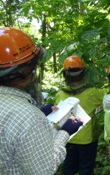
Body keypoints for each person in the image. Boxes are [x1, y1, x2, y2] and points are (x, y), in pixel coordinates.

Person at [0, 27, 83, 175]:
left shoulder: (25, 113)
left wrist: (38, 111)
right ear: (26, 71)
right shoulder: (28, 117)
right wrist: (65, 132)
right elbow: (43, 170)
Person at [55, 55, 106, 175]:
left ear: (65, 74)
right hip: (87, 139)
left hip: (67, 137)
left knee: (68, 167)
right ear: (83, 73)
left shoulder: (60, 94)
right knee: (86, 169)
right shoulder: (92, 93)